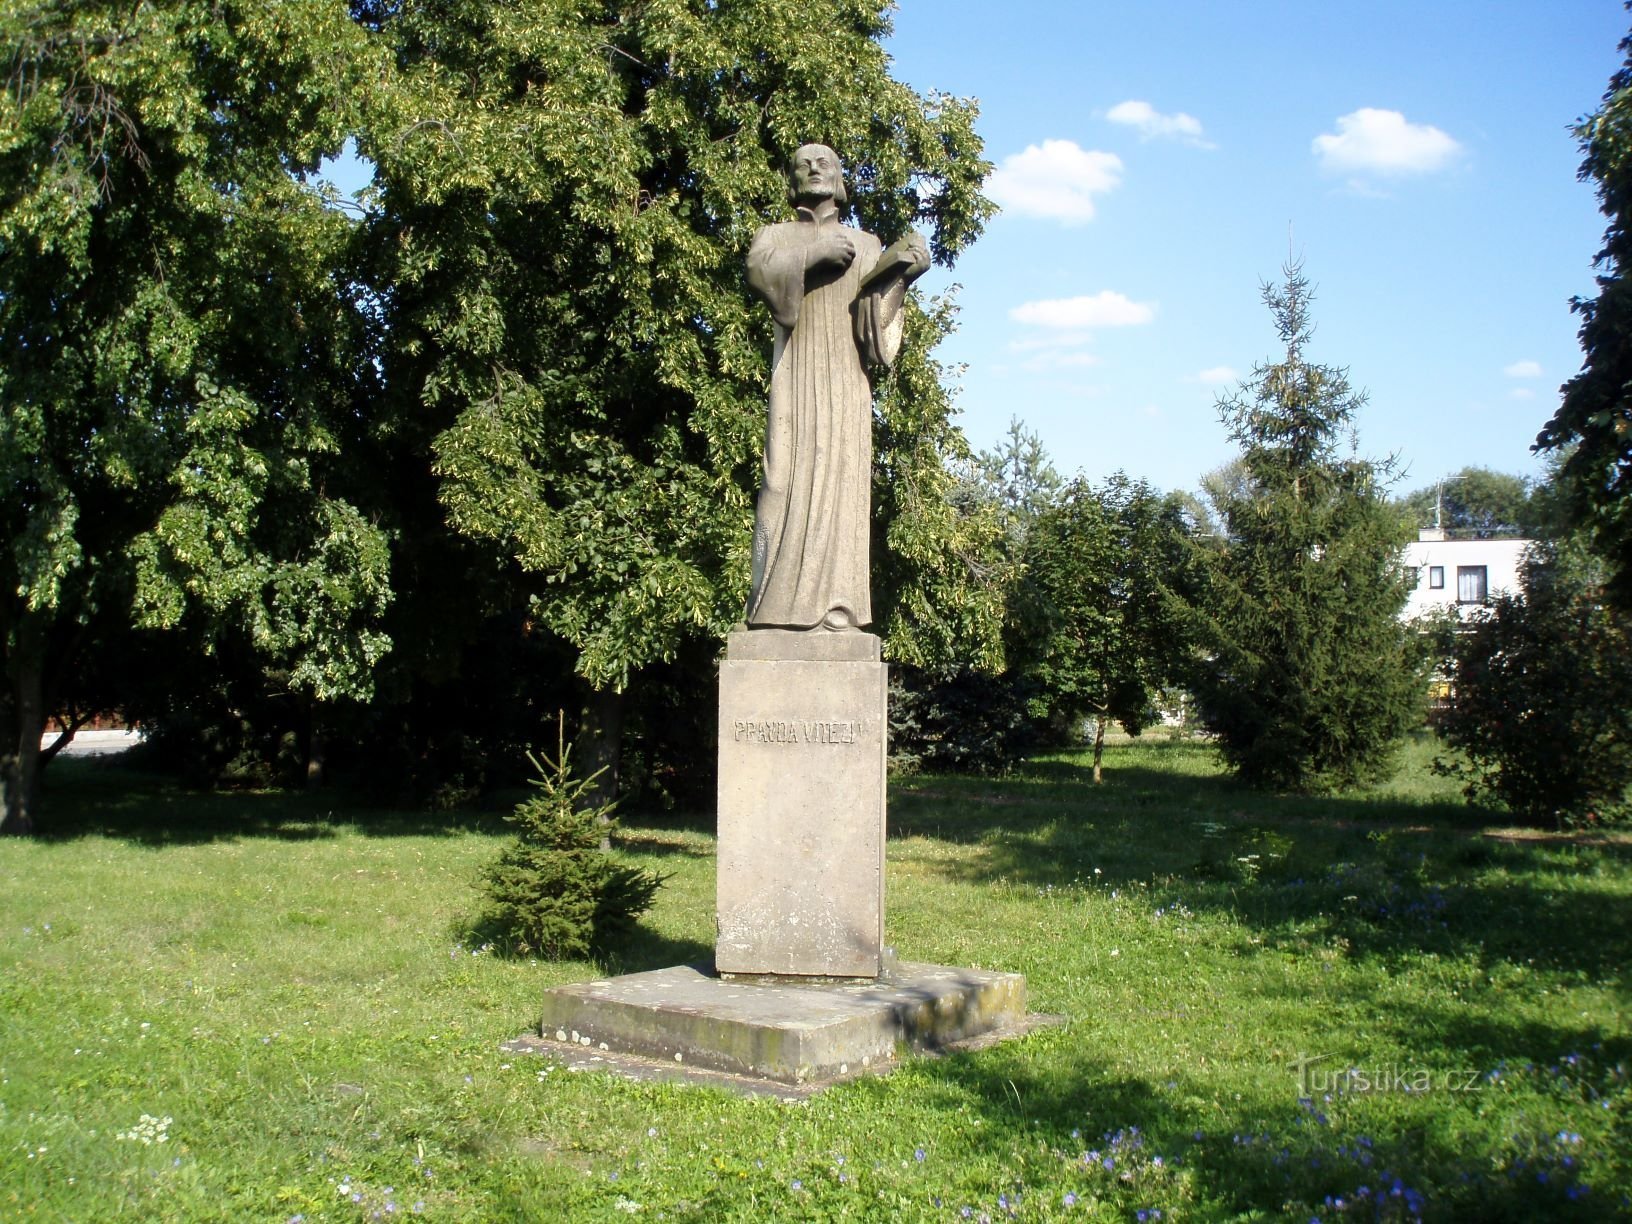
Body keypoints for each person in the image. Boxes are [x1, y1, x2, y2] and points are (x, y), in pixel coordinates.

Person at [744, 143, 930, 631]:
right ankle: (769, 610)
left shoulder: (867, 244)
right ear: (792, 180)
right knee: (779, 479)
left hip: (846, 381)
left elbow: (875, 330)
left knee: (842, 486)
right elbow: (759, 273)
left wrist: (902, 275)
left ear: (840, 179)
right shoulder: (775, 234)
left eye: (823, 163)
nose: (812, 169)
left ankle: (837, 611)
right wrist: (813, 254)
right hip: (797, 372)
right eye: (802, 164)